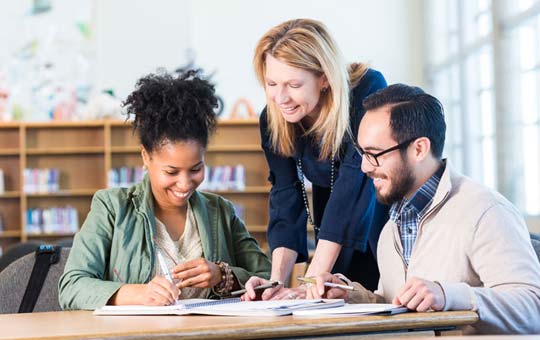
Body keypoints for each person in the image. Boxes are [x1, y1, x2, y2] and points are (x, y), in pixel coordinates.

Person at [310, 84, 540, 334]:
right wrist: (352, 296)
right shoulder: (391, 227)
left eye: (374, 154)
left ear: (419, 149)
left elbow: (532, 307)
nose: (365, 167)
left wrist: (447, 294)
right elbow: (400, 308)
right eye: (362, 153)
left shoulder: (486, 211)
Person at [59, 70, 271, 310]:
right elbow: (72, 286)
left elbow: (267, 278)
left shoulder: (220, 211)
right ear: (145, 157)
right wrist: (137, 294)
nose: (184, 183)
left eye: (196, 169)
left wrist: (223, 277)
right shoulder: (112, 207)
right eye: (171, 172)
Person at [243, 18, 388, 301]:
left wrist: (311, 280)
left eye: (293, 84)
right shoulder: (273, 118)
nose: (280, 97)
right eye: (272, 83)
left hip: (380, 214)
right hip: (332, 222)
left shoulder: (367, 89)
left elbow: (354, 182)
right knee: (328, 300)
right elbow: (285, 196)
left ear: (324, 78)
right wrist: (275, 282)